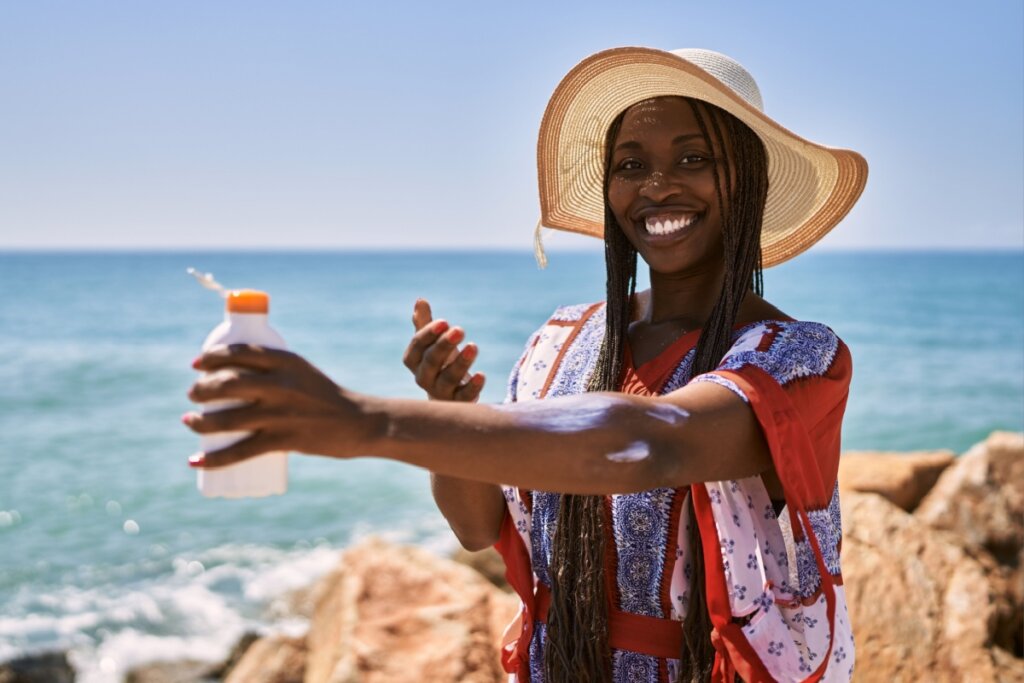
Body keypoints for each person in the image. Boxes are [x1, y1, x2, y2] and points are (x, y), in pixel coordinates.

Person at [184, 47, 867, 683]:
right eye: (630, 165)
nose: (658, 186)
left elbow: (651, 441)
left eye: (693, 160)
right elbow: (478, 527)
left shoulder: (799, 361)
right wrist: (456, 418)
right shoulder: (564, 340)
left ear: (747, 179)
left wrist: (365, 423)